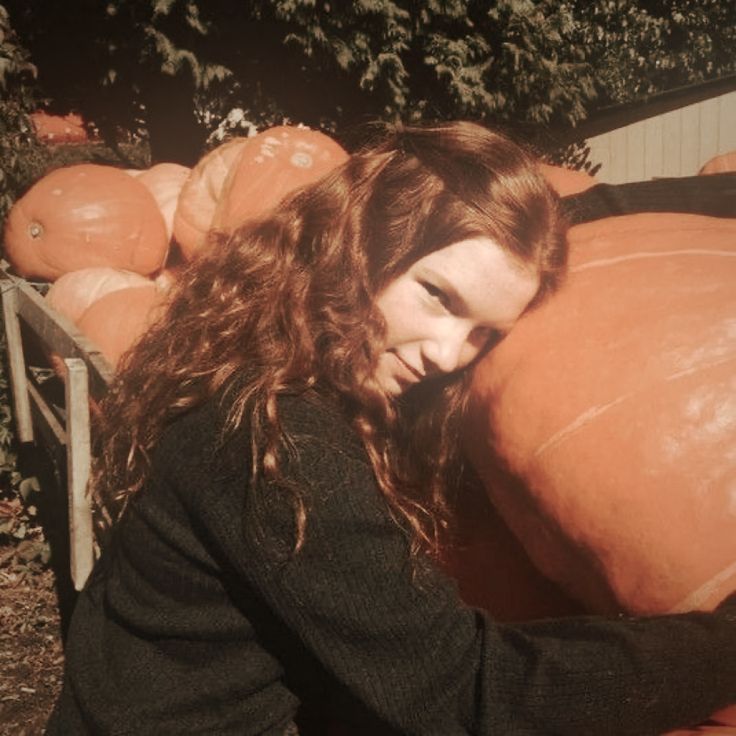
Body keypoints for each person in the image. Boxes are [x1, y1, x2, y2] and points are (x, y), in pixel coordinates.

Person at [48, 121, 736, 736]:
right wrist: (722, 644)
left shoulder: (264, 366)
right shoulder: (276, 440)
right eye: (438, 296)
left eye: (482, 334)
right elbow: (468, 695)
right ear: (362, 243)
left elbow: (572, 210)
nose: (447, 353)